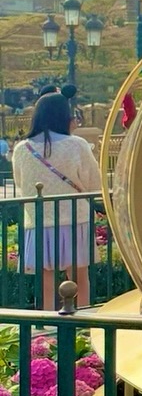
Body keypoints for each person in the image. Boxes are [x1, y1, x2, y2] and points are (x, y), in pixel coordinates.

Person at [11, 92, 102, 309]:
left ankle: (48, 323)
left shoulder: (22, 149)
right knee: (79, 278)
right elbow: (94, 183)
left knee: (46, 282)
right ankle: (82, 321)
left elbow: (20, 184)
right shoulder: (77, 145)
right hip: (74, 218)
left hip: (38, 220)